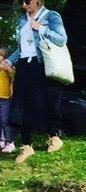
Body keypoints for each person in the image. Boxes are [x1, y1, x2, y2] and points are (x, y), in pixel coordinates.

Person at [0, 0, 67, 164]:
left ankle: (54, 137)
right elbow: (22, 48)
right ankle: (26, 145)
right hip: (24, 65)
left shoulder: (51, 16)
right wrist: (9, 61)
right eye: (21, 2)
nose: (24, 5)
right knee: (22, 105)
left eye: (27, 1)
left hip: (42, 63)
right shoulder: (22, 20)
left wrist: (41, 28)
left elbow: (61, 39)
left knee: (47, 102)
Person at [0, 47, 14, 153]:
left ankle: (10, 142)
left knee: (5, 121)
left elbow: (14, 75)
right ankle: (1, 140)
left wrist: (8, 68)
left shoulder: (7, 66)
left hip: (6, 98)